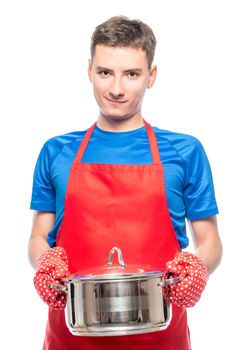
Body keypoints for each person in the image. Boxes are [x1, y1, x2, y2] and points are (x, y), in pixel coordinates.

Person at [28, 15, 222, 350]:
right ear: (90, 70)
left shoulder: (184, 151)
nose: (116, 89)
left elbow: (210, 241)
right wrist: (45, 263)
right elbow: (38, 238)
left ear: (151, 76)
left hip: (160, 337)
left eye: (131, 74)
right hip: (72, 337)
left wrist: (198, 268)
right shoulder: (57, 151)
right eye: (105, 73)